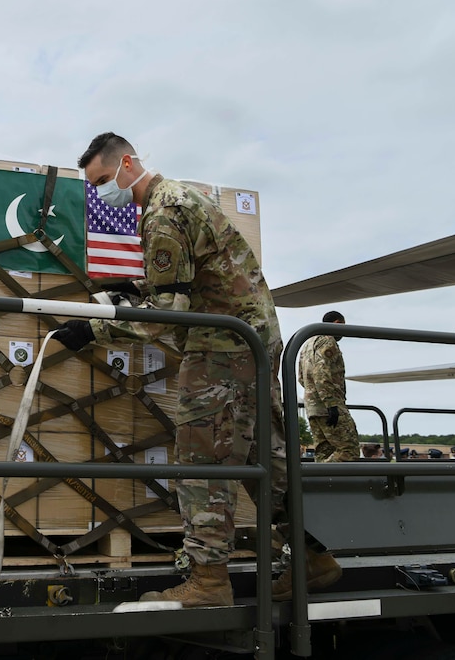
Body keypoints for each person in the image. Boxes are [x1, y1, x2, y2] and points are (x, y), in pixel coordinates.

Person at [52, 132, 340, 606]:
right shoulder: (180, 198)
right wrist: (137, 285)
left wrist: (95, 331)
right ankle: (313, 557)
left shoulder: (163, 213)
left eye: (103, 179)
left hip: (221, 348)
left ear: (127, 163)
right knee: (262, 460)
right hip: (250, 342)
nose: (102, 191)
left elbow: (169, 312)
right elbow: (190, 278)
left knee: (202, 461)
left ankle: (209, 581)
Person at [298, 311, 360, 462]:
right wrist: (331, 403)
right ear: (337, 324)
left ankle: (321, 481)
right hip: (329, 405)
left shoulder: (308, 343)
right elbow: (321, 372)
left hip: (312, 407)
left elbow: (301, 377)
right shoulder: (327, 341)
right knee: (349, 450)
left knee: (324, 452)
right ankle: (333, 480)